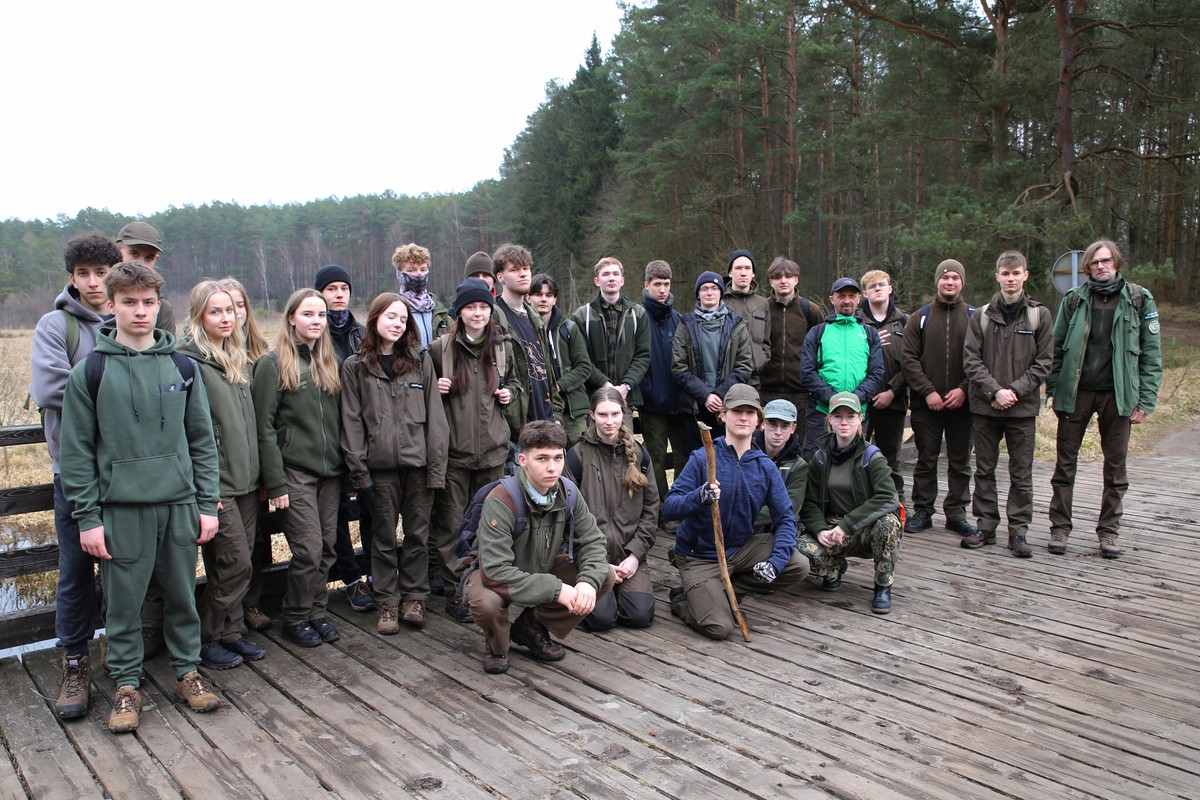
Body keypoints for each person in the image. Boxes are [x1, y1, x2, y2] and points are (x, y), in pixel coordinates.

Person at [59, 262, 222, 733]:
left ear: (159, 305)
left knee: (182, 596)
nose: (140, 311)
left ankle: (188, 672)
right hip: (121, 511)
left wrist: (207, 504)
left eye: (148, 302)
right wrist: (88, 518)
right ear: (111, 305)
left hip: (177, 506)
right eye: (129, 302)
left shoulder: (183, 366)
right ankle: (127, 685)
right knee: (124, 605)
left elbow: (202, 442)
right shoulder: (89, 372)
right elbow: (77, 455)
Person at [30, 232, 120, 719]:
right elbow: (51, 388)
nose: (92, 282)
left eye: (101, 272)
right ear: (71, 276)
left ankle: (124, 657)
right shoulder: (54, 325)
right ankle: (74, 662)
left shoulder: (127, 320)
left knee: (126, 566)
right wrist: (122, 398)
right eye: (82, 273)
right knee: (74, 571)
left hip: (124, 472)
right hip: (76, 472)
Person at [462, 421, 615, 674]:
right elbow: (495, 570)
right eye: (542, 458)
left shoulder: (568, 492)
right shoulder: (501, 500)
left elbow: (593, 541)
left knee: (604, 575)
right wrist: (556, 590)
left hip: (542, 563)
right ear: (522, 459)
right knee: (486, 602)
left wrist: (587, 581)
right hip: (495, 573)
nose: (552, 467)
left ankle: (531, 626)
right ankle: (496, 643)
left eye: (558, 457)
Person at [663, 384, 810, 641]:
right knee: (720, 628)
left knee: (798, 565)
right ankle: (684, 601)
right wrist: (699, 496)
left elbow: (785, 519)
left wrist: (775, 564)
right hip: (700, 556)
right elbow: (670, 507)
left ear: (758, 421)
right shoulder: (702, 458)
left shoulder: (765, 467)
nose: (743, 417)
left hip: (741, 550)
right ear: (723, 415)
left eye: (750, 412)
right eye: (736, 411)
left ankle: (717, 591)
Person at [1046, 239, 1162, 558]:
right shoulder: (1073, 300)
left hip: (1119, 395)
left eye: (1106, 260)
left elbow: (1152, 356)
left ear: (1117, 263)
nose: (1101, 266)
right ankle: (1060, 528)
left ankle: (1109, 532)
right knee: (1064, 465)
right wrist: (1054, 390)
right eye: (1095, 262)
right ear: (1088, 267)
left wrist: (1146, 400)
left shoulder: (1138, 299)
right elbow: (1056, 349)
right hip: (1076, 393)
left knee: (1115, 468)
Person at [341, 293, 449, 632]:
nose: (397, 323)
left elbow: (436, 419)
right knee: (383, 538)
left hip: (418, 468)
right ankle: (387, 602)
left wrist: (435, 471)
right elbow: (352, 423)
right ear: (375, 319)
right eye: (391, 317)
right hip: (379, 470)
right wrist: (361, 476)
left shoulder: (421, 361)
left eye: (403, 319)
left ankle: (415, 597)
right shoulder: (356, 366)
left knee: (418, 535)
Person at [180, 281, 265, 669]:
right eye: (216, 311)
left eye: (230, 310)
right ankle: (205, 638)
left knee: (234, 561)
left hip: (246, 481)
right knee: (236, 564)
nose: (225, 318)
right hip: (217, 485)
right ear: (199, 315)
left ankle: (231, 633)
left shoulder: (237, 358)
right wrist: (205, 488)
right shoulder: (190, 362)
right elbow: (191, 433)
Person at [252, 288, 344, 648]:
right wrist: (275, 483)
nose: (316, 321)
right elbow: (264, 427)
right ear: (291, 317)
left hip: (330, 473)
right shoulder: (272, 364)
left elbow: (339, 422)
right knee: (308, 549)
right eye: (308, 314)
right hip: (294, 472)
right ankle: (294, 616)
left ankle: (315, 612)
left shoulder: (329, 361)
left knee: (329, 547)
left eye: (321, 315)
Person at [428, 279, 520, 621]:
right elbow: (423, 396)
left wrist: (510, 392)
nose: (478, 313)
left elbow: (517, 384)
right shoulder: (440, 349)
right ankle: (457, 592)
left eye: (483, 307)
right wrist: (435, 389)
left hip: (494, 452)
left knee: (491, 524)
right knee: (451, 525)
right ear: (459, 312)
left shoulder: (502, 347)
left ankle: (485, 584)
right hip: (455, 453)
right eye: (470, 307)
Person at [959, 251, 1053, 557]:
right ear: (997, 276)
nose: (1010, 278)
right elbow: (971, 361)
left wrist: (1013, 390)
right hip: (985, 407)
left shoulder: (1040, 316)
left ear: (1026, 275)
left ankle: (1018, 532)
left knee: (1021, 473)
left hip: (1022, 409)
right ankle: (985, 526)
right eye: (1005, 273)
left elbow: (1044, 363)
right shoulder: (981, 316)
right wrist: (994, 391)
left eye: (1016, 273)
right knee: (984, 469)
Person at [796, 392, 903, 614]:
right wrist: (819, 530)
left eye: (850, 416)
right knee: (799, 550)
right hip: (832, 526)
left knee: (889, 524)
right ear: (830, 420)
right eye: (838, 416)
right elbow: (809, 503)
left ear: (860, 419)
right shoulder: (820, 458)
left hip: (865, 527)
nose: (844, 422)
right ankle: (833, 568)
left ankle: (883, 585)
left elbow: (888, 497)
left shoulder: (872, 457)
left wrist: (847, 526)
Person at [566, 387, 659, 631]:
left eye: (615, 414)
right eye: (603, 414)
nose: (610, 421)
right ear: (591, 415)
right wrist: (598, 563)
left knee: (639, 616)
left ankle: (625, 586)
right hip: (591, 557)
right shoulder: (576, 456)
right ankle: (597, 589)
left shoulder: (639, 455)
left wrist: (635, 555)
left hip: (628, 552)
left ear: (624, 413)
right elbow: (566, 517)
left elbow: (651, 508)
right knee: (601, 619)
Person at [899, 259, 978, 538]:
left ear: (962, 283)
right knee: (926, 459)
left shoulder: (974, 317)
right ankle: (923, 510)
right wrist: (928, 391)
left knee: (960, 461)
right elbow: (908, 359)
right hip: (925, 405)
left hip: (963, 405)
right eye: (945, 278)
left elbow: (982, 358)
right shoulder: (919, 317)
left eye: (956, 278)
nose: (950, 282)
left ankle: (956, 513)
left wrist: (964, 389)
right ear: (937, 282)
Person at [313, 265, 375, 613]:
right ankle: (352, 580)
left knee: (369, 507)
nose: (339, 294)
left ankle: (375, 574)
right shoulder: (314, 334)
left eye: (344, 288)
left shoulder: (362, 334)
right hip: (326, 438)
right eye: (331, 288)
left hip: (361, 436)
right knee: (333, 516)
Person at [218, 277, 272, 633]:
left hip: (256, 467)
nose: (234, 314)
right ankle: (226, 622)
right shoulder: (211, 357)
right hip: (227, 472)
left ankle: (250, 606)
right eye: (224, 307)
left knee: (256, 543)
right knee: (231, 550)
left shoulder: (260, 353)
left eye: (238, 306)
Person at [799, 277, 884, 459]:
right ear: (832, 299)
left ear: (859, 298)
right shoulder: (817, 332)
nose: (847, 300)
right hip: (821, 412)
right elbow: (807, 372)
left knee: (855, 466)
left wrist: (853, 400)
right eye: (841, 296)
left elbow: (876, 374)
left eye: (851, 296)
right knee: (815, 464)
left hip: (857, 414)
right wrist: (835, 400)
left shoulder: (869, 334)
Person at [638, 260, 698, 512]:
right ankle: (661, 508)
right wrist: (647, 390)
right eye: (657, 284)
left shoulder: (678, 319)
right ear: (647, 285)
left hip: (679, 401)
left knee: (686, 454)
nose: (662, 290)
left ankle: (679, 503)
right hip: (652, 403)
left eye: (666, 284)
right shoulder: (638, 317)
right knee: (656, 458)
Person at [571, 257, 651, 431]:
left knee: (625, 449)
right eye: (606, 274)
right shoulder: (581, 316)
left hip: (625, 399)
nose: (611, 278)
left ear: (622, 280)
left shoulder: (638, 314)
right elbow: (580, 358)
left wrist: (625, 387)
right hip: (592, 399)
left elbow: (643, 356)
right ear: (597, 280)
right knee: (594, 451)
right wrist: (604, 385)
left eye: (616, 274)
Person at [671, 271, 754, 438]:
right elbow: (678, 366)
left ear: (721, 293)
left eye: (714, 288)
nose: (709, 292)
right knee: (698, 458)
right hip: (694, 406)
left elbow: (744, 366)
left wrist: (719, 394)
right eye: (704, 288)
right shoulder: (686, 325)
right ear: (698, 294)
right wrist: (705, 395)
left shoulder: (737, 326)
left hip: (727, 405)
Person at [492, 244, 559, 437]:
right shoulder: (495, 317)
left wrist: (556, 414)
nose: (523, 274)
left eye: (526, 268)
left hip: (545, 421)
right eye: (514, 270)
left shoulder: (535, 319)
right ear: (500, 277)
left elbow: (547, 372)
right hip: (515, 428)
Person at [759, 256, 824, 452]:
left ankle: (795, 483)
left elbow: (821, 350)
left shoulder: (810, 310)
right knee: (765, 446)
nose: (783, 280)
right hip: (766, 391)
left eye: (788, 276)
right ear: (771, 281)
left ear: (796, 279)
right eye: (777, 277)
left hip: (800, 392)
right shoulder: (762, 309)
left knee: (799, 447)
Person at [857, 269, 909, 501]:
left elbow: (912, 362)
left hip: (893, 401)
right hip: (862, 403)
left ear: (890, 289)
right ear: (864, 293)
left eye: (882, 284)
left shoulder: (906, 322)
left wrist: (892, 391)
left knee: (891, 457)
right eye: (872, 286)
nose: (877, 288)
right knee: (857, 454)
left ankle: (895, 502)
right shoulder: (856, 322)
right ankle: (858, 500)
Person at [530, 273, 592, 445]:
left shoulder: (569, 329)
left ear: (555, 299)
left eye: (548, 295)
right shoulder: (522, 330)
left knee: (578, 462)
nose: (543, 299)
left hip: (573, 412)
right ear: (528, 297)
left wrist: (558, 386)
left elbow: (584, 366)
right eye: (538, 294)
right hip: (538, 409)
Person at [751, 399, 807, 524]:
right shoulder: (745, 454)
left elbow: (790, 507)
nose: (778, 432)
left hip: (777, 528)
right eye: (772, 424)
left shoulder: (798, 466)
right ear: (763, 424)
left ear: (793, 428)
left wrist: (743, 515)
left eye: (785, 426)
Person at [115, 221, 175, 335]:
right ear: (118, 251)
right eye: (134, 254)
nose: (141, 263)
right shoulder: (93, 298)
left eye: (149, 257)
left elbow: (167, 351)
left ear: (156, 259)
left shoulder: (162, 310)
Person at [723, 249, 771, 387]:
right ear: (730, 272)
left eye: (747, 268)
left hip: (754, 380)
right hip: (726, 381)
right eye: (738, 268)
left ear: (753, 273)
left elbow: (766, 341)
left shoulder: (762, 304)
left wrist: (761, 361)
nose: (743, 272)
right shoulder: (720, 301)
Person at [391, 243, 450, 347]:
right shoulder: (393, 310)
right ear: (399, 274)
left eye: (423, 269)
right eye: (411, 270)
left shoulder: (439, 310)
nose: (419, 274)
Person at [220, 277, 270, 361]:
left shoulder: (259, 345)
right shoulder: (211, 351)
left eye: (240, 305)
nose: (236, 311)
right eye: (229, 308)